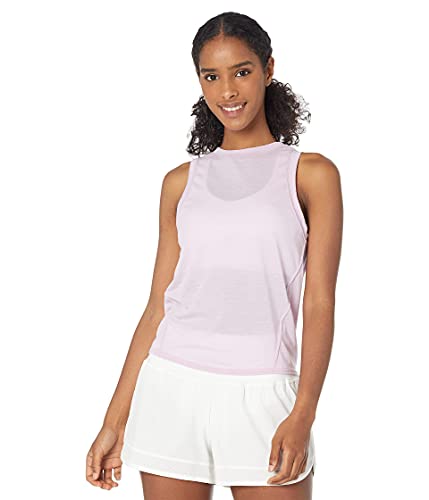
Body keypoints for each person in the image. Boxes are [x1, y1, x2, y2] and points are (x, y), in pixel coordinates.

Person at [86, 11, 343, 499]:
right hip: (171, 390)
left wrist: (304, 411)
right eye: (211, 76)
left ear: (268, 69)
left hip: (264, 394)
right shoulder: (181, 183)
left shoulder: (311, 175)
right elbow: (158, 308)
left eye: (241, 71)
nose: (227, 91)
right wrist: (114, 422)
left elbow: (319, 303)